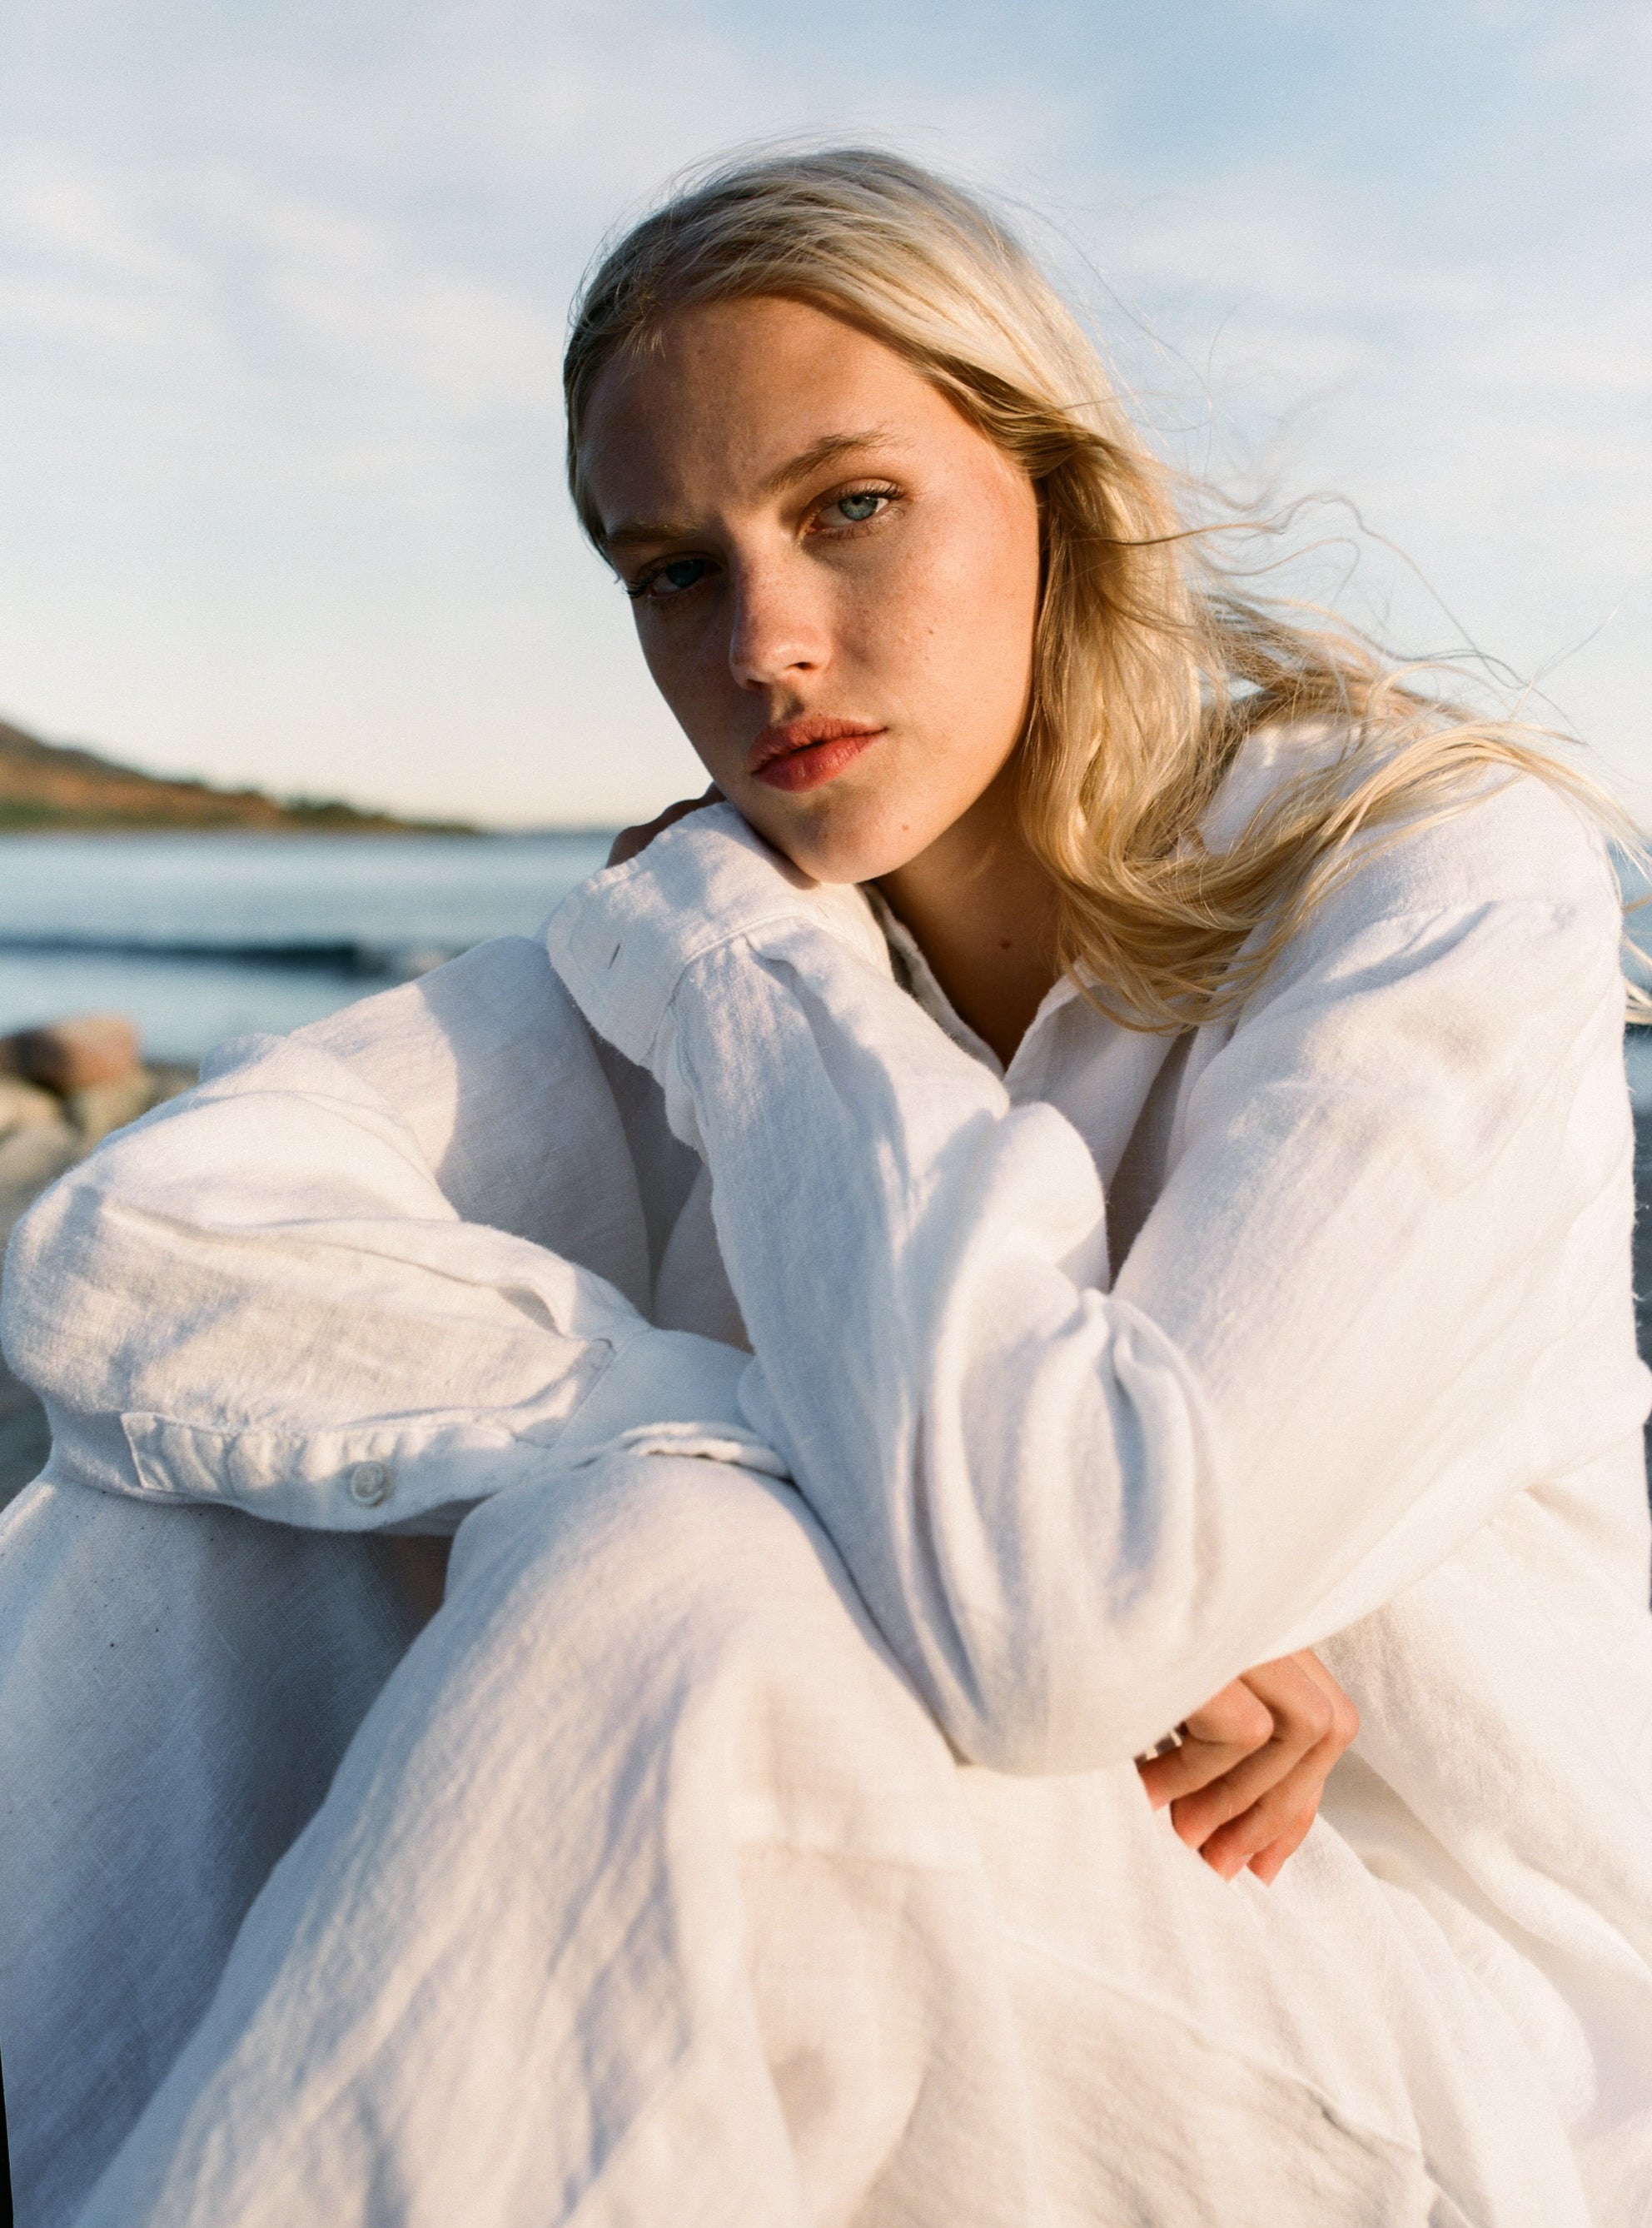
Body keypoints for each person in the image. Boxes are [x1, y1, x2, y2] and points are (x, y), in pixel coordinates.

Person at [2, 146, 1650, 2227]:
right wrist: (781, 1434)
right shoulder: (739, 949)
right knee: (216, 1524)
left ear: (1047, 489)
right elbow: (123, 1252)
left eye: (846, 510)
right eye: (671, 569)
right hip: (979, 1914)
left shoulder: (1420, 889)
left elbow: (1070, 1612)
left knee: (679, 1585)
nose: (763, 639)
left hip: (1429, 2043)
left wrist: (738, 965)